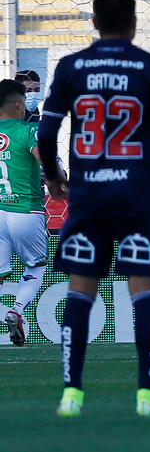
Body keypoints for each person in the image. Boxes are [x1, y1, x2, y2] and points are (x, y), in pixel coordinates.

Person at [37, 0, 150, 417]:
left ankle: (71, 395)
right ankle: (148, 396)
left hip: (90, 197)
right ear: (134, 24)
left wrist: (55, 176)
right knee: (144, 291)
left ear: (94, 22)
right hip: (139, 198)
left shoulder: (71, 66)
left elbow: (45, 132)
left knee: (80, 293)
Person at [0, 80, 59, 345]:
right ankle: (17, 310)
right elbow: (46, 161)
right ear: (19, 104)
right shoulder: (28, 130)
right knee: (36, 266)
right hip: (27, 211)